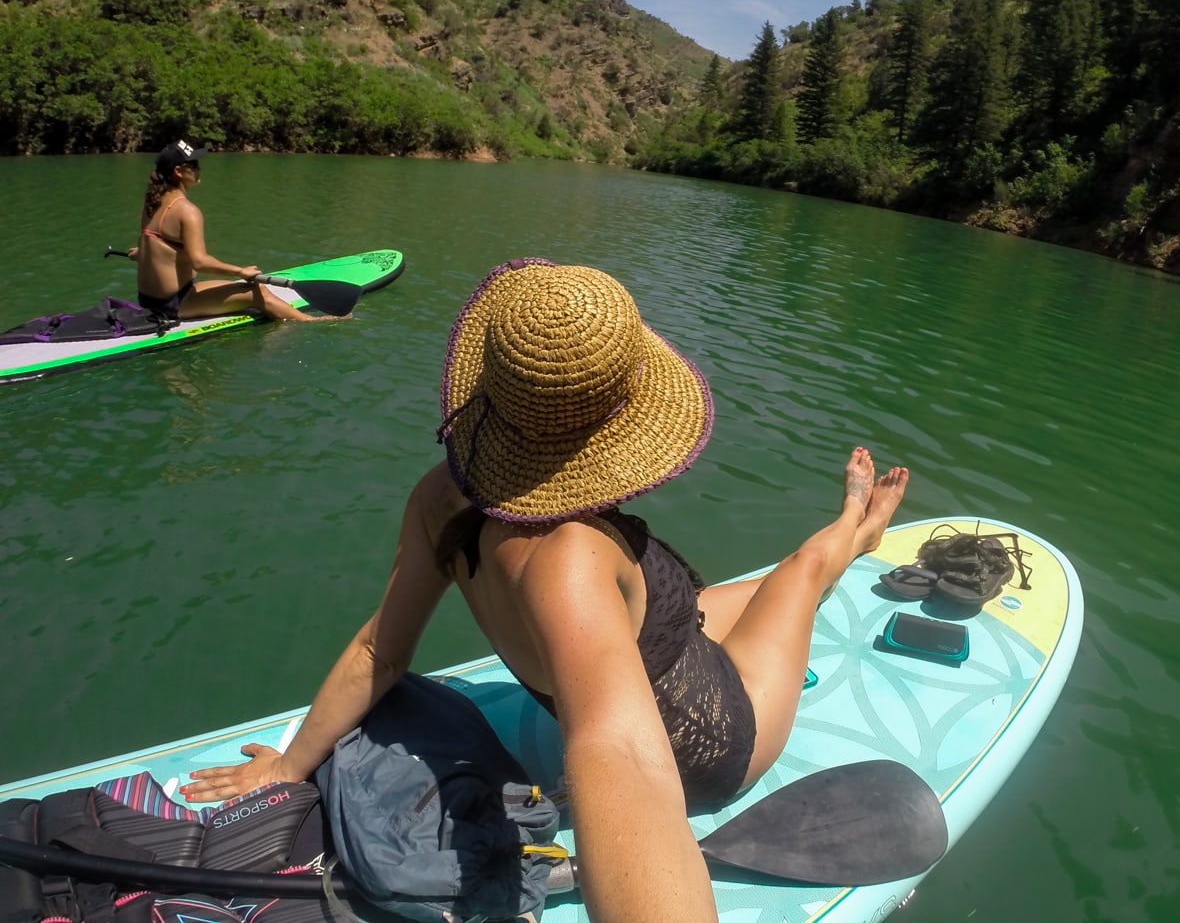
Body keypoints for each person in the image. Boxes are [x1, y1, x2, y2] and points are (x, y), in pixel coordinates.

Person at [180, 258, 908, 923]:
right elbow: (620, 753)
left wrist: (287, 763)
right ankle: (857, 526)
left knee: (747, 591)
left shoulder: (441, 498)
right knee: (801, 573)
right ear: (616, 426)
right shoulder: (572, 559)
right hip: (710, 735)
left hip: (654, 652)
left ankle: (833, 543)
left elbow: (381, 645)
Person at [127, 139, 340, 322]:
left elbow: (155, 243)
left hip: (149, 299)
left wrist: (142, 254)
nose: (199, 168)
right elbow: (199, 262)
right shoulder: (187, 211)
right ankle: (311, 321)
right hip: (173, 304)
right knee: (256, 291)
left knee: (237, 286)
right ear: (179, 171)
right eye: (194, 164)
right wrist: (241, 271)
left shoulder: (152, 203)